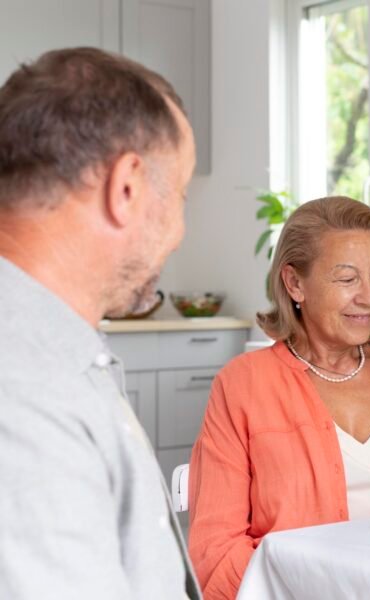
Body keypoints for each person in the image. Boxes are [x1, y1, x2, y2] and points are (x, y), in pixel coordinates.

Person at [187, 196, 370, 599]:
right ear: (294, 283)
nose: (369, 298)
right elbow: (214, 556)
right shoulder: (242, 386)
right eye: (346, 279)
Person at [0, 48, 200, 599]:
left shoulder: (60, 353)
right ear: (128, 188)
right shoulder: (25, 395)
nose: (180, 230)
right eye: (180, 196)